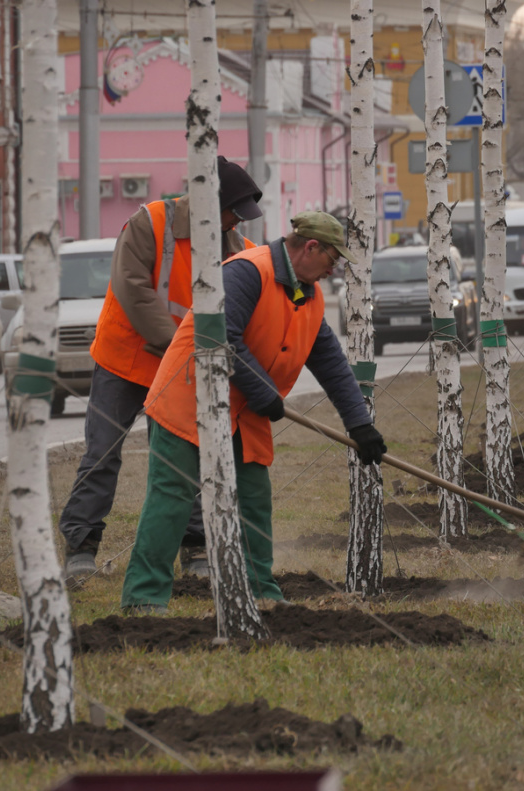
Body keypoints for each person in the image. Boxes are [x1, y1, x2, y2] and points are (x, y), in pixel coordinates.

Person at [120, 211, 387, 613]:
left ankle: (260, 592)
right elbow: (221, 336)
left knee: (254, 499)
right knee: (172, 497)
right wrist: (264, 391)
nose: (334, 269)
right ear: (310, 247)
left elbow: (332, 366)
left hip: (244, 410)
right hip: (187, 398)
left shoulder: (308, 296)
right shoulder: (247, 272)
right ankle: (143, 599)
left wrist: (361, 426)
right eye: (333, 258)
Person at [61, 157, 263, 581]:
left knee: (182, 458)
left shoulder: (239, 252)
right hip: (125, 360)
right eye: (232, 214)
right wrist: (181, 350)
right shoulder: (150, 222)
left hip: (182, 368)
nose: (235, 225)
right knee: (102, 454)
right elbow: (132, 289)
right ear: (211, 203)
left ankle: (194, 548)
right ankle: (81, 545)